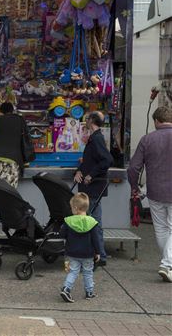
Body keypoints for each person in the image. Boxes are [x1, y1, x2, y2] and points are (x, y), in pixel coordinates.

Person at [127, 106, 172, 282]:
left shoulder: (147, 139)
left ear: (156, 121)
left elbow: (133, 168)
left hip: (155, 191)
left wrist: (134, 187)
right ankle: (167, 264)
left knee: (161, 229)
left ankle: (167, 263)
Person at [74, 111, 113, 267]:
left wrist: (90, 175)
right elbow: (92, 160)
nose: (86, 121)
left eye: (87, 119)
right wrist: (79, 170)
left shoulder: (96, 139)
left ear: (91, 120)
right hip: (93, 187)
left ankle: (98, 256)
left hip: (92, 188)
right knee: (94, 222)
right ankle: (100, 255)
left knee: (91, 222)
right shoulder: (96, 138)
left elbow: (107, 160)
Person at [59, 193, 102, 303]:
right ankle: (89, 292)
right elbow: (96, 239)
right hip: (87, 253)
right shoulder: (92, 222)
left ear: (76, 208)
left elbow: (61, 234)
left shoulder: (68, 221)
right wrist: (98, 252)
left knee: (73, 272)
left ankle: (66, 288)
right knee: (88, 272)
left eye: (72, 207)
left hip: (72, 253)